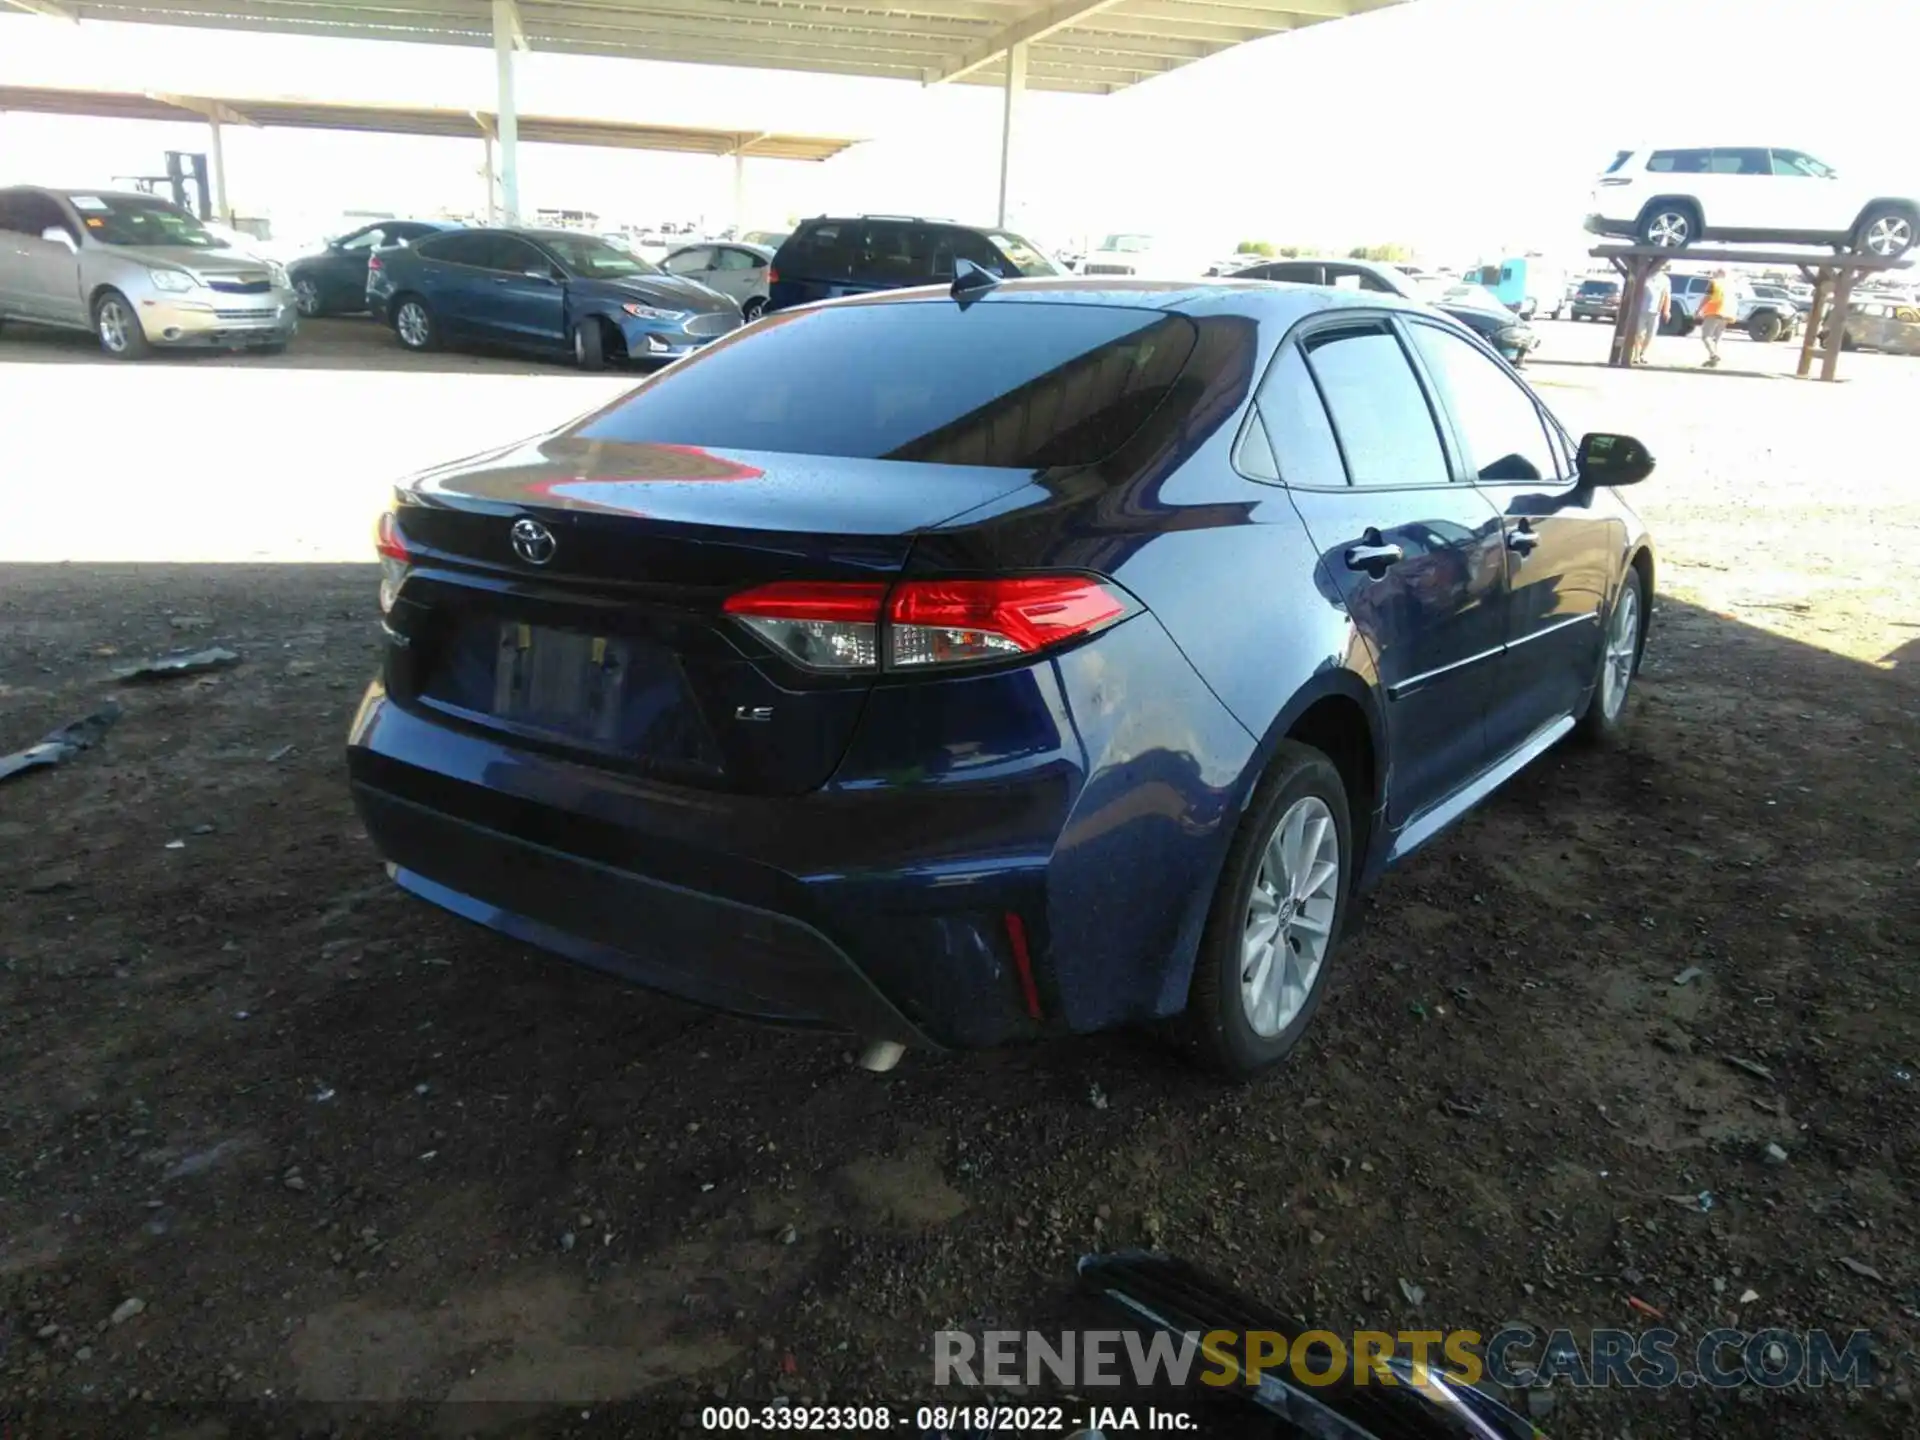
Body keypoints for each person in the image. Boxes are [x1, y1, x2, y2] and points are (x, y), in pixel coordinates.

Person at [1632, 268, 1670, 365]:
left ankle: (1642, 354)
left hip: (1655, 312)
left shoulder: (1665, 280)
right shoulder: (1646, 276)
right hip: (1642, 310)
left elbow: (1667, 296)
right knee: (1639, 334)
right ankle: (1636, 356)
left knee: (1650, 335)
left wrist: (1666, 310)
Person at [1698, 268, 1735, 367]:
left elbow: (1707, 297)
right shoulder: (1731, 285)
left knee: (1706, 336)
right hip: (1727, 314)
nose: (1713, 274)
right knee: (1716, 338)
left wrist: (1698, 310)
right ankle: (1714, 361)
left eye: (1715, 272)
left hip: (1714, 311)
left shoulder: (1714, 282)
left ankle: (1714, 355)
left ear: (1719, 273)